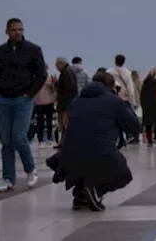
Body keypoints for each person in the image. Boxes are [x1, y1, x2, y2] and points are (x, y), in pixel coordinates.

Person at [51, 70, 140, 211]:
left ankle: (80, 197)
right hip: (100, 152)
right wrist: (125, 105)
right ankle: (96, 191)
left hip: (68, 156)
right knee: (124, 175)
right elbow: (135, 127)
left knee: (85, 160)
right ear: (110, 87)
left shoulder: (76, 101)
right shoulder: (113, 101)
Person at [0, 17, 47, 193]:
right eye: (14, 29)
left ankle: (30, 170)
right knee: (6, 140)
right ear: (7, 31)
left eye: (20, 29)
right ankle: (7, 178)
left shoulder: (33, 50)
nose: (18, 32)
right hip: (4, 99)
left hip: (23, 99)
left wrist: (29, 94)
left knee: (19, 137)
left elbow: (41, 74)